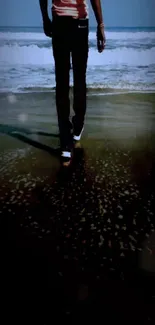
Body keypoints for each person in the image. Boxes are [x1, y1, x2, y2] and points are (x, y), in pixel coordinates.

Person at [39, 0, 106, 166]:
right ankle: (77, 127)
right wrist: (100, 25)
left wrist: (45, 19)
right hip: (80, 22)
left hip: (59, 21)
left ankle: (65, 143)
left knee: (61, 83)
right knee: (79, 79)